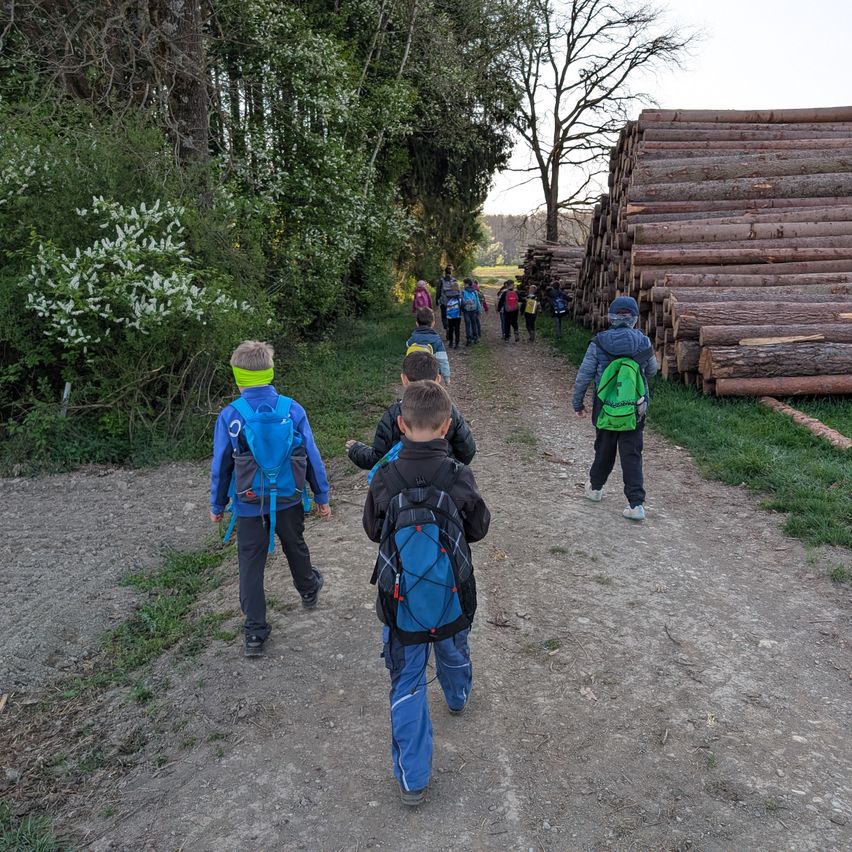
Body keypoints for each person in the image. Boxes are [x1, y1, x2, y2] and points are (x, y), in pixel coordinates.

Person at [362, 381, 491, 806]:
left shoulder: (384, 476)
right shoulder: (458, 474)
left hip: (400, 602)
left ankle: (413, 779)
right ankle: (457, 697)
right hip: (452, 592)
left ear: (400, 424)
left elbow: (371, 531)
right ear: (446, 426)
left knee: (407, 679)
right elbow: (478, 528)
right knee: (453, 646)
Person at [210, 340, 331, 657]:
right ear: (270, 373)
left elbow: (221, 464)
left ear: (238, 378)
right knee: (295, 546)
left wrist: (217, 504)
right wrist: (321, 494)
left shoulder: (231, 416)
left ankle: (254, 633)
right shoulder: (292, 409)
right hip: (289, 497)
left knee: (250, 566)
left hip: (249, 503)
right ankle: (308, 588)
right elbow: (312, 456)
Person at [571, 297, 659, 521]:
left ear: (610, 317)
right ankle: (636, 504)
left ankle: (595, 489)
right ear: (635, 318)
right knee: (632, 453)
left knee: (604, 448)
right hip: (635, 406)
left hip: (605, 405)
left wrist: (578, 402)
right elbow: (652, 370)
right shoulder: (643, 342)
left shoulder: (599, 342)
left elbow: (585, 375)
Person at [346, 350, 476, 471]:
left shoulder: (393, 415)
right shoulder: (448, 410)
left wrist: (356, 450)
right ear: (437, 379)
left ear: (404, 379)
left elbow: (378, 459)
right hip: (443, 477)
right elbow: (467, 452)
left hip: (401, 482)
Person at [405, 307, 450, 383]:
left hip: (415, 374)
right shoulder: (436, 340)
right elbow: (443, 360)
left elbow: (407, 344)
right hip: (431, 375)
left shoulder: (413, 337)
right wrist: (446, 377)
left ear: (417, 323)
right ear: (433, 323)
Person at [441, 276, 462, 349]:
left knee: (450, 328)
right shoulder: (460, 295)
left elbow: (445, 304)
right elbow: (462, 304)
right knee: (457, 329)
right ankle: (457, 343)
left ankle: (450, 342)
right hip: (458, 315)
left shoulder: (447, 295)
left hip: (450, 315)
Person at [461, 278, 480, 346]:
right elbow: (477, 301)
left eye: (464, 284)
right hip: (474, 310)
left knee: (467, 325)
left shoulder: (463, 292)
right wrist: (478, 309)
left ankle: (468, 339)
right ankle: (475, 337)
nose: (464, 285)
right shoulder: (474, 291)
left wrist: (461, 310)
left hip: (466, 310)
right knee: (474, 323)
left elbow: (462, 302)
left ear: (466, 284)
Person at [435, 266, 454, 332]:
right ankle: (451, 327)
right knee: (451, 314)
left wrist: (437, 300)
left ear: (445, 272)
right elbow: (457, 291)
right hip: (452, 301)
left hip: (444, 300)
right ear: (451, 272)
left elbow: (438, 291)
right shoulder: (454, 280)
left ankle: (446, 327)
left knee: (444, 315)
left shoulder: (441, 280)